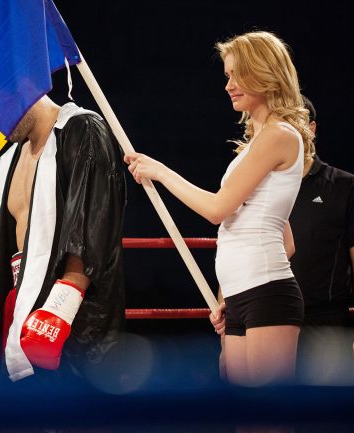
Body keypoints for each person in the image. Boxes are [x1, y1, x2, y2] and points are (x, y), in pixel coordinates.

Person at [126, 31, 315, 386]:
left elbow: (217, 210)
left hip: (267, 294)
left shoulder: (279, 135)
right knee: (245, 419)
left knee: (267, 421)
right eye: (227, 76)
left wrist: (161, 171)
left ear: (263, 72)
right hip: (244, 296)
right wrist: (229, 293)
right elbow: (283, 239)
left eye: (235, 75)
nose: (228, 85)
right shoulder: (257, 144)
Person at [0, 96, 127, 392]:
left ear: (25, 87)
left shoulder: (83, 130)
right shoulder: (11, 159)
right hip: (19, 308)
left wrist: (60, 310)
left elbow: (93, 223)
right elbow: (1, 251)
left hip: (69, 318)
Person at [290, 96, 354, 384]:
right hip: (266, 323)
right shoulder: (255, 185)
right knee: (265, 419)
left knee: (324, 419)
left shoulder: (346, 187)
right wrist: (229, 331)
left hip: (326, 326)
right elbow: (236, 249)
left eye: (295, 122)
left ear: (311, 128)